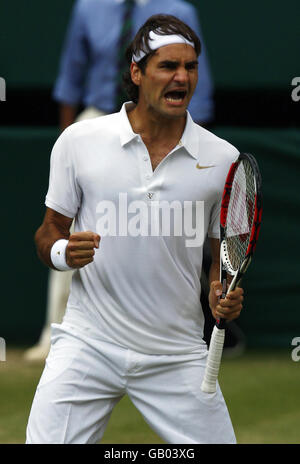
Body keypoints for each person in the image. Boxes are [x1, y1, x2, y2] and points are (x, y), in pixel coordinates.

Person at [26, 14, 243, 444]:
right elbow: (48, 231)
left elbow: (225, 252)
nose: (182, 77)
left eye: (191, 66)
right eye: (168, 66)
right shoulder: (78, 142)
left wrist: (221, 288)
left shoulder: (224, 159)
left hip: (176, 352)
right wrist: (63, 253)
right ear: (137, 72)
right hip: (87, 342)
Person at [24, 0, 215, 362]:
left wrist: (193, 145)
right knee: (70, 231)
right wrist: (69, 149)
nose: (182, 72)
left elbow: (196, 90)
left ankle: (167, 334)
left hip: (163, 124)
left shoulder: (181, 11)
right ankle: (55, 333)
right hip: (97, 119)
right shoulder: (87, 7)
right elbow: (71, 75)